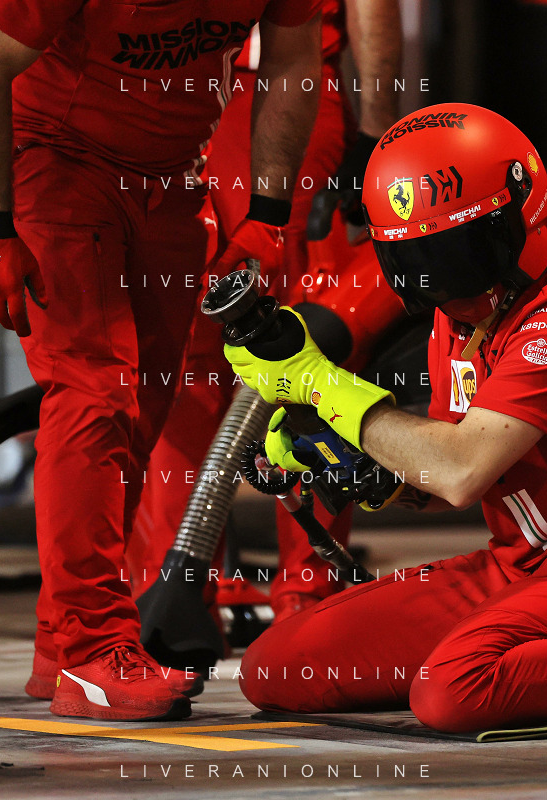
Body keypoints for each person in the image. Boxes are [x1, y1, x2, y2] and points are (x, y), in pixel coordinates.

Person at [224, 103, 547, 733]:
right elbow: (442, 479)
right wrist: (363, 470)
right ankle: (528, 663)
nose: (444, 284)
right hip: (518, 563)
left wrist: (320, 384)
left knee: (453, 688)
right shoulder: (452, 324)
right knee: (277, 669)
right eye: (417, 262)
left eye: (460, 253)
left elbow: (460, 469)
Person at [0, 0, 324, 721]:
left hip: (172, 176)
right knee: (93, 393)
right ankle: (92, 649)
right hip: (54, 159)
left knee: (143, 411)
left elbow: (291, 63)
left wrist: (269, 216)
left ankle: (61, 640)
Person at [126, 0, 406, 628]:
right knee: (300, 353)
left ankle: (172, 598)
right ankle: (307, 593)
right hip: (283, 91)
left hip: (167, 97)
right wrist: (375, 134)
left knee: (185, 362)